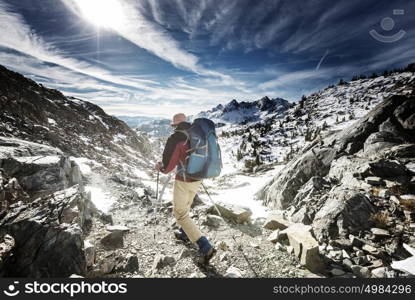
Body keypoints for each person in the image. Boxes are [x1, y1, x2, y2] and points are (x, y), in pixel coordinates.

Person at [155, 113, 216, 264]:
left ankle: (205, 246)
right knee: (186, 207)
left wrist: (160, 168)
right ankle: (184, 233)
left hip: (183, 180)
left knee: (180, 214)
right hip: (197, 178)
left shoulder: (175, 138)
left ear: (174, 125)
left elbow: (168, 166)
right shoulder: (196, 133)